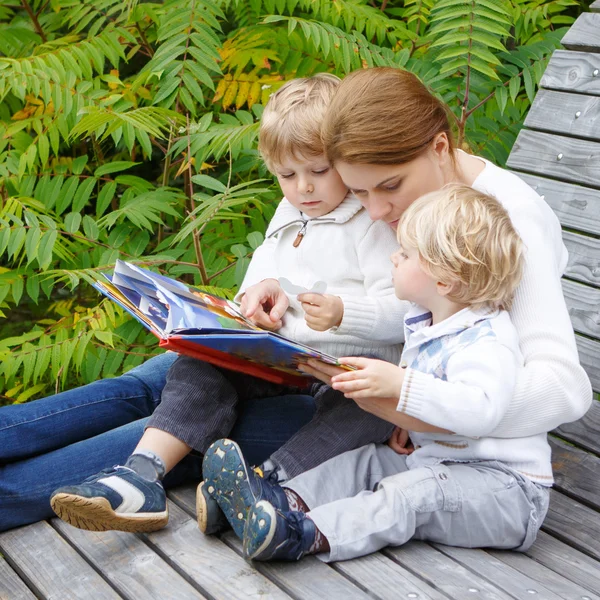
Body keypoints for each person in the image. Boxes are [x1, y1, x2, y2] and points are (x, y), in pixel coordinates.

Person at [0, 65, 590, 533]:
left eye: (389, 189)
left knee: (159, 430)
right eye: (359, 193)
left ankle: (105, 485)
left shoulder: (506, 219)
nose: (378, 212)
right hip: (285, 355)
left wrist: (424, 408)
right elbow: (295, 251)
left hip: (350, 404)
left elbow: (562, 387)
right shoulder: (347, 184)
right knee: (153, 382)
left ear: (440, 148)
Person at [48, 74, 406, 534]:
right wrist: (255, 294)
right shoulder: (290, 211)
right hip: (285, 359)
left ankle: (264, 486)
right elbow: (262, 271)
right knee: (200, 362)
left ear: (346, 159)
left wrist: (343, 312)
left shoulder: (371, 222)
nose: (304, 189)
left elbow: (403, 309)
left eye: (319, 171)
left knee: (364, 414)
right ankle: (141, 476)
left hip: (347, 372)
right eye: (287, 176)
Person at [202, 183, 554, 562]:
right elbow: (433, 406)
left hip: (507, 492)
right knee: (364, 462)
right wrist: (346, 382)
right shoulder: (428, 325)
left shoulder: (487, 337)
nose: (393, 259)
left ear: (444, 280)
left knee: (411, 495)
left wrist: (401, 385)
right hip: (436, 462)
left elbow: (480, 411)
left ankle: (303, 534)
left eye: (404, 254)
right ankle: (272, 500)